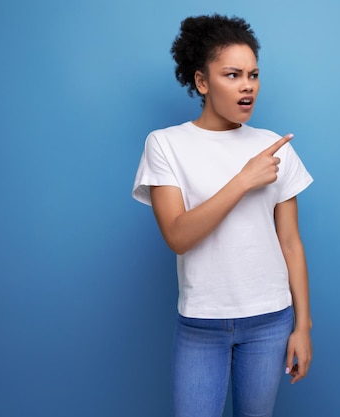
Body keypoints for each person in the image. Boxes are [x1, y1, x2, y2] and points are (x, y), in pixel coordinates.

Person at [132, 14, 313, 417]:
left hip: (270, 321)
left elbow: (291, 243)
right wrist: (244, 179)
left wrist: (303, 326)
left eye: (253, 74)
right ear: (202, 82)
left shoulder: (273, 146)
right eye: (232, 74)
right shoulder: (166, 144)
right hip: (202, 325)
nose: (247, 84)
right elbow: (178, 235)